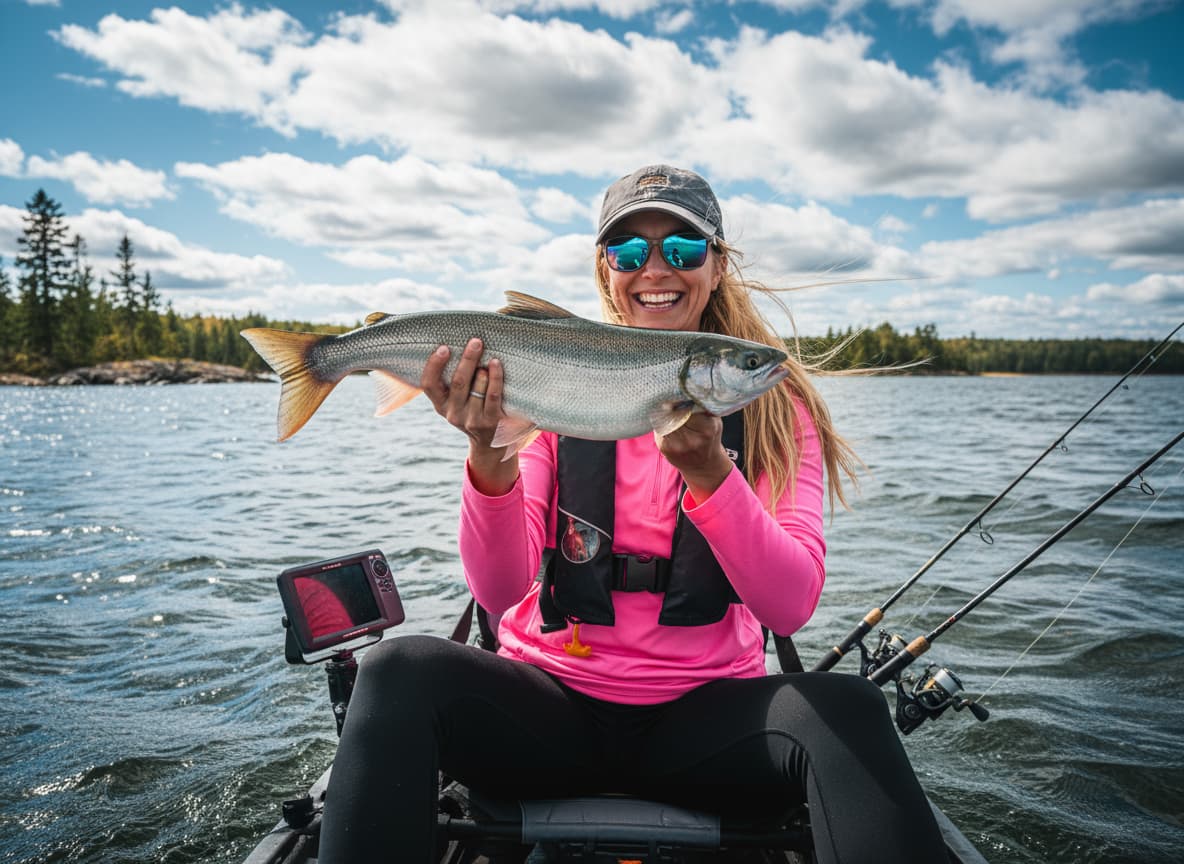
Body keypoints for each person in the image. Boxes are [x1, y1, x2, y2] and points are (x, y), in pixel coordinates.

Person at [319, 165, 948, 863]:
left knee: (850, 709)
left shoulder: (775, 408)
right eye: (628, 251)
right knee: (395, 668)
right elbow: (500, 592)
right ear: (605, 269)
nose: (655, 268)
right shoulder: (558, 390)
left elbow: (791, 605)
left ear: (716, 267)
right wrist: (487, 450)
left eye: (682, 249)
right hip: (545, 710)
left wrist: (711, 474)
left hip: (707, 729)